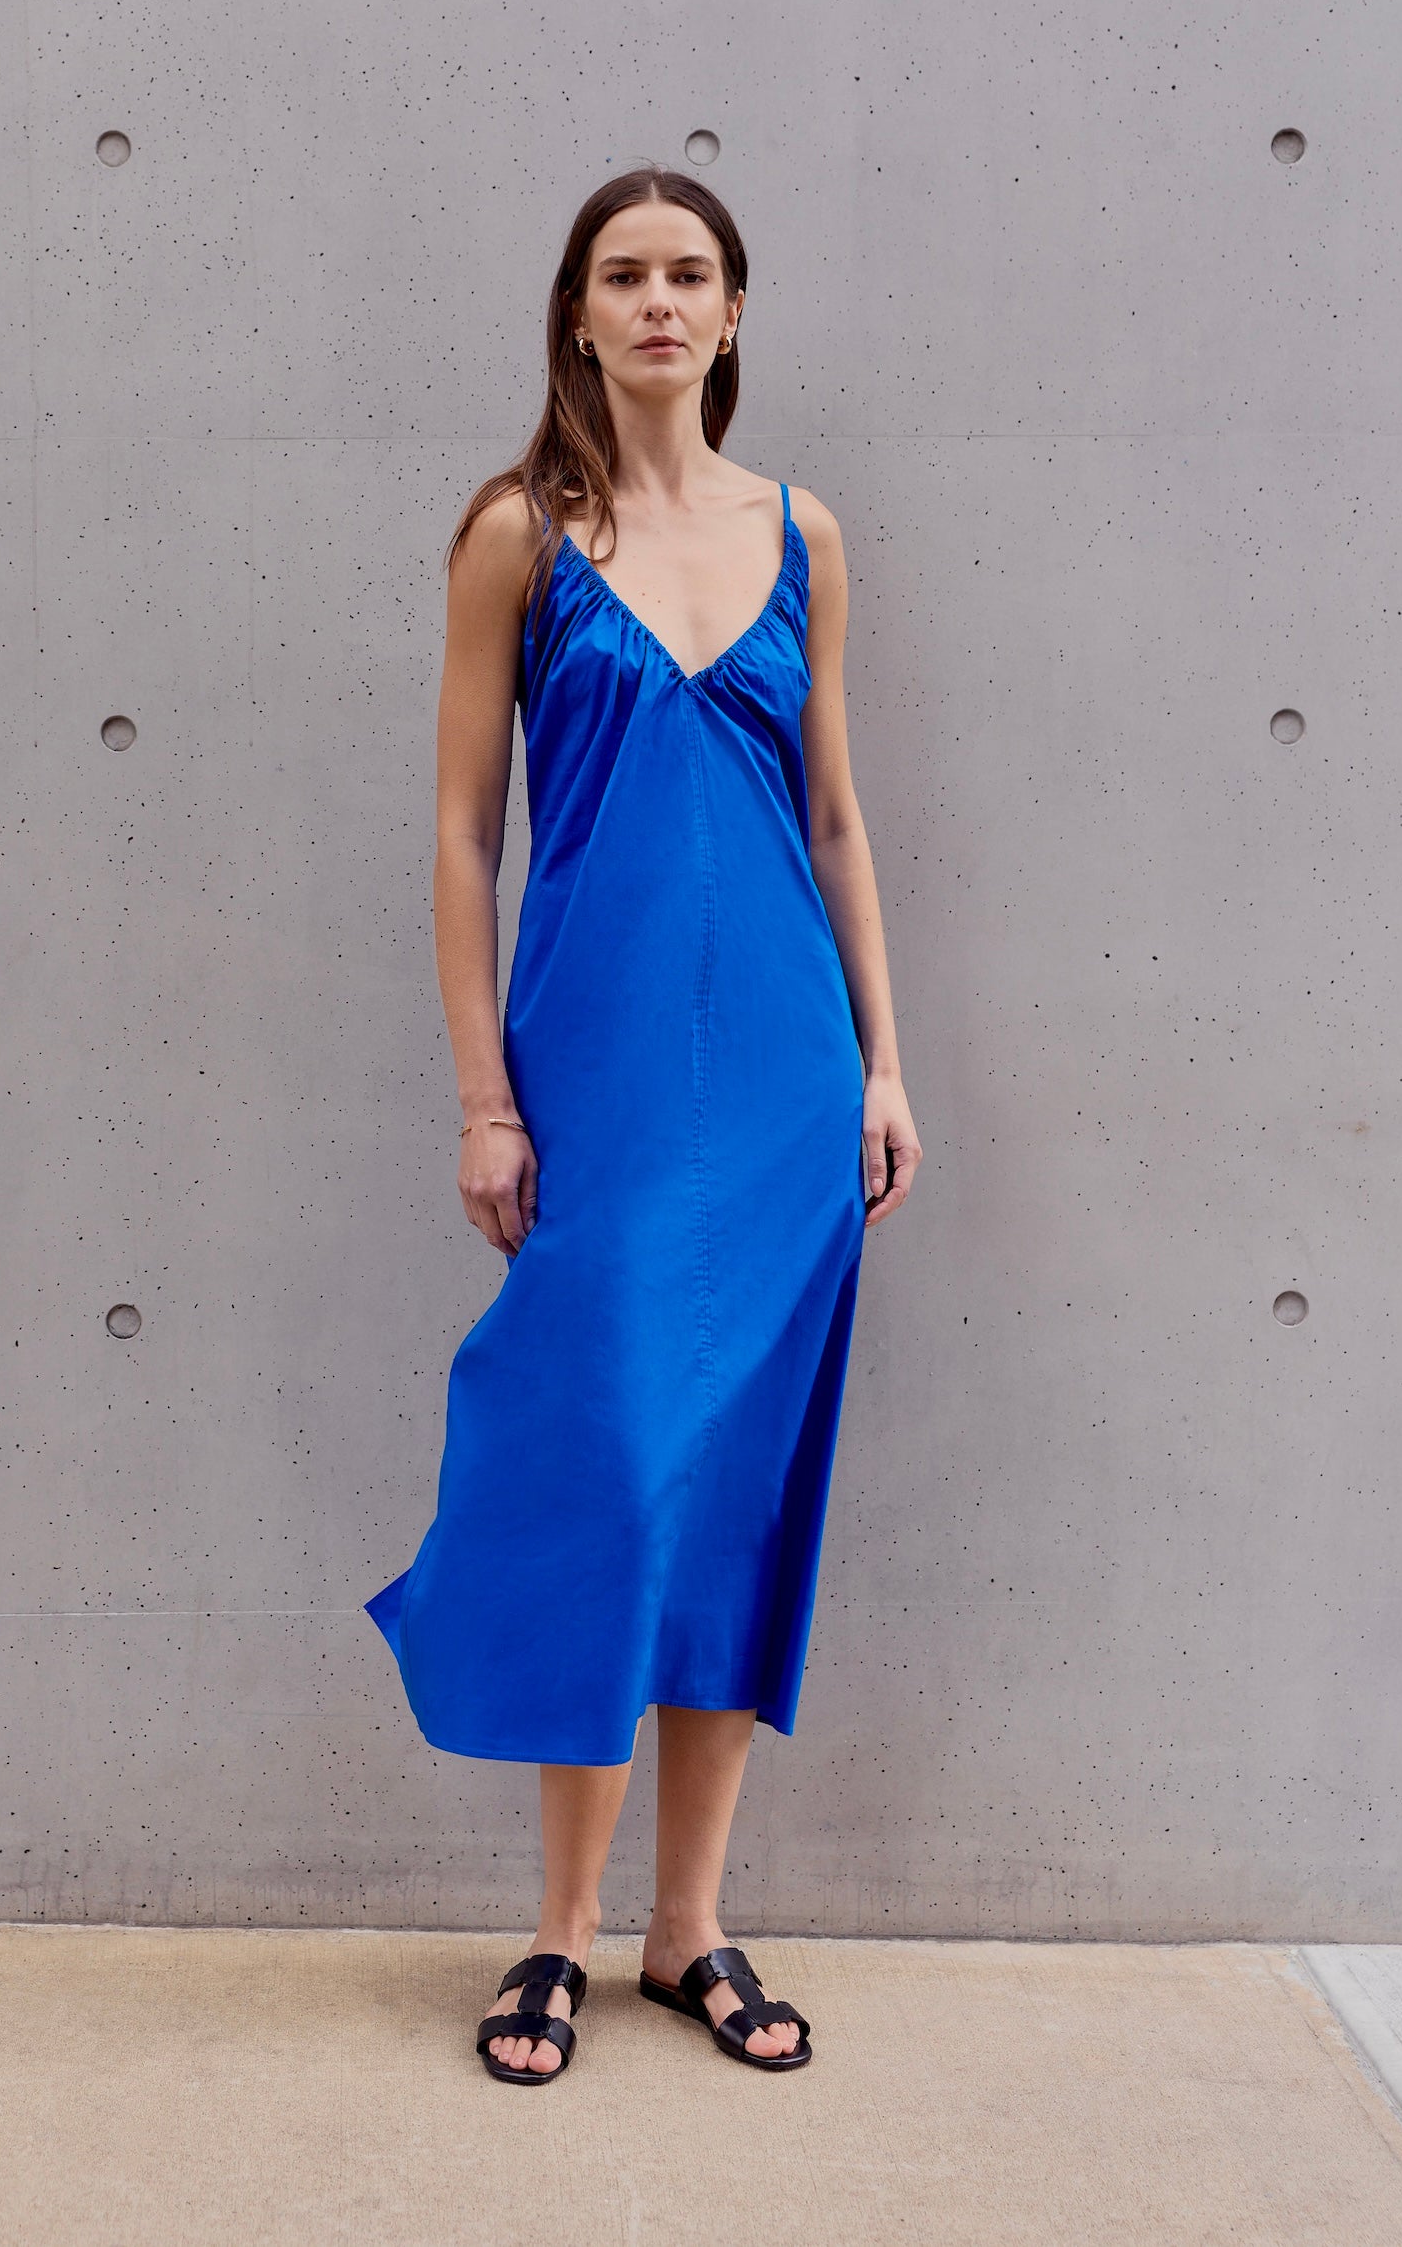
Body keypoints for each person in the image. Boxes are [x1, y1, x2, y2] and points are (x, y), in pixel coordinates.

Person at [365, 164, 921, 2084]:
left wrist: (883, 1064)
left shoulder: (804, 533)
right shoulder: (518, 535)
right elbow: (464, 831)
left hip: (782, 1083)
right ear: (579, 314)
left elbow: (834, 818)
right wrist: (482, 1096)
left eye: (691, 273)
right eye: (626, 274)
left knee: (738, 1492)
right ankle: (561, 1931)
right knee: (608, 1467)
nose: (660, 301)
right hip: (593, 1076)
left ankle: (690, 1928)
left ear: (733, 312)